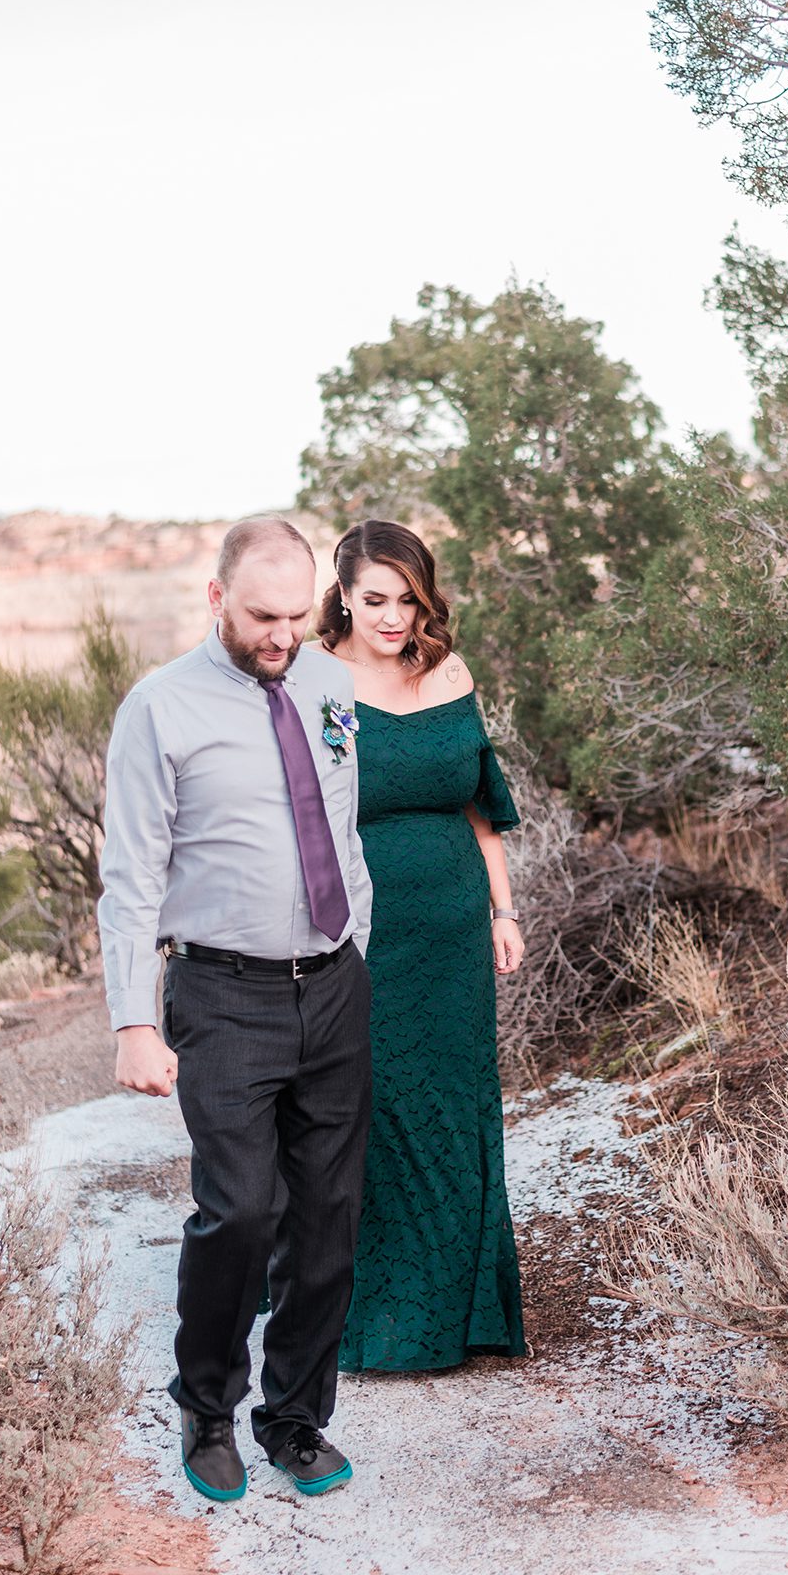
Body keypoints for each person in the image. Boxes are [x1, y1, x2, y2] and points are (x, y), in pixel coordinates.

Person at [97, 516, 374, 1503]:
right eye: (263, 615)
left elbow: (339, 824)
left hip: (334, 986)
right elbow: (128, 875)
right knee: (242, 1208)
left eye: (299, 616)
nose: (282, 636)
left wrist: (357, 951)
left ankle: (294, 1420)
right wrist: (135, 1017)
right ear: (215, 598)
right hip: (222, 993)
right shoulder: (159, 710)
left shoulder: (332, 688)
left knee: (330, 1217)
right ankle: (206, 1409)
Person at [317, 519, 528, 1371]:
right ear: (341, 598)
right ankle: (377, 1322)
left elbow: (481, 808)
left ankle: (465, 1316)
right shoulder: (316, 679)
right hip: (363, 928)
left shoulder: (449, 672)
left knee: (456, 1104)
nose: (394, 616)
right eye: (374, 600)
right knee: (376, 1109)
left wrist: (503, 913)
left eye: (407, 599)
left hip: (453, 926)